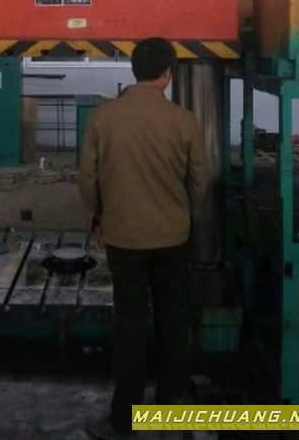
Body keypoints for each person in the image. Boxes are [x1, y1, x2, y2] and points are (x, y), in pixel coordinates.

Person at [79, 38, 207, 440]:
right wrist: (184, 217)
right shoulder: (184, 120)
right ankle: (170, 408)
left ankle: (124, 420)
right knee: (173, 320)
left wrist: (98, 218)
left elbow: (87, 178)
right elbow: (199, 182)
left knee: (130, 325)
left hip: (124, 239)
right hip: (173, 238)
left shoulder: (103, 118)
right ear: (167, 74)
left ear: (134, 70)